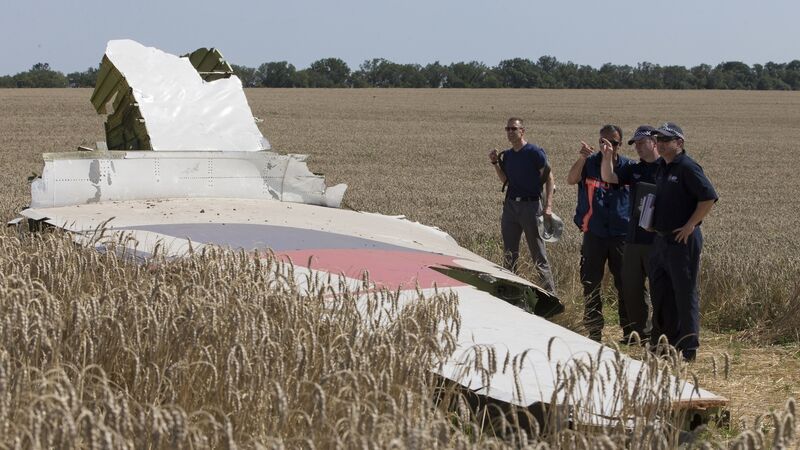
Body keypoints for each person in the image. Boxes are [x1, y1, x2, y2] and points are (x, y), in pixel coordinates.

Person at [648, 122, 717, 362]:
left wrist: (691, 225)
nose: (661, 144)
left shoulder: (687, 167)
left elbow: (708, 197)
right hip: (661, 239)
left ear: (679, 142)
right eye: (658, 139)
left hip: (682, 240)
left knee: (684, 292)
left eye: (666, 140)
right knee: (661, 292)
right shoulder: (661, 167)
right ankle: (664, 343)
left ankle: (688, 349)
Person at [566, 125, 634, 342]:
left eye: (613, 143)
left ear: (619, 144)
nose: (608, 146)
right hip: (594, 233)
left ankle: (630, 331)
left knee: (625, 283)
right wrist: (582, 158)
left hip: (621, 234)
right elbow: (571, 179)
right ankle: (594, 331)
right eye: (603, 142)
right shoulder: (589, 164)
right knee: (591, 283)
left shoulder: (627, 167)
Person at [600, 125, 660, 343]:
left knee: (659, 288)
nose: (638, 148)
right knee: (631, 287)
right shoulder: (634, 169)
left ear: (655, 142)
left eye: (642, 143)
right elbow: (609, 177)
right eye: (636, 144)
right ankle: (641, 333)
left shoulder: (666, 168)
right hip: (634, 237)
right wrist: (607, 156)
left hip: (657, 240)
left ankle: (660, 333)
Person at [488, 117, 556, 293]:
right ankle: (510, 294)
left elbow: (549, 178)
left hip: (531, 206)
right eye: (508, 129)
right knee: (509, 255)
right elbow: (506, 180)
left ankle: (551, 296)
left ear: (522, 131)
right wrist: (495, 164)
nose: (510, 132)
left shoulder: (534, 152)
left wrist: (548, 206)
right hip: (510, 207)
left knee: (538, 255)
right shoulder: (508, 155)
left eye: (514, 129)